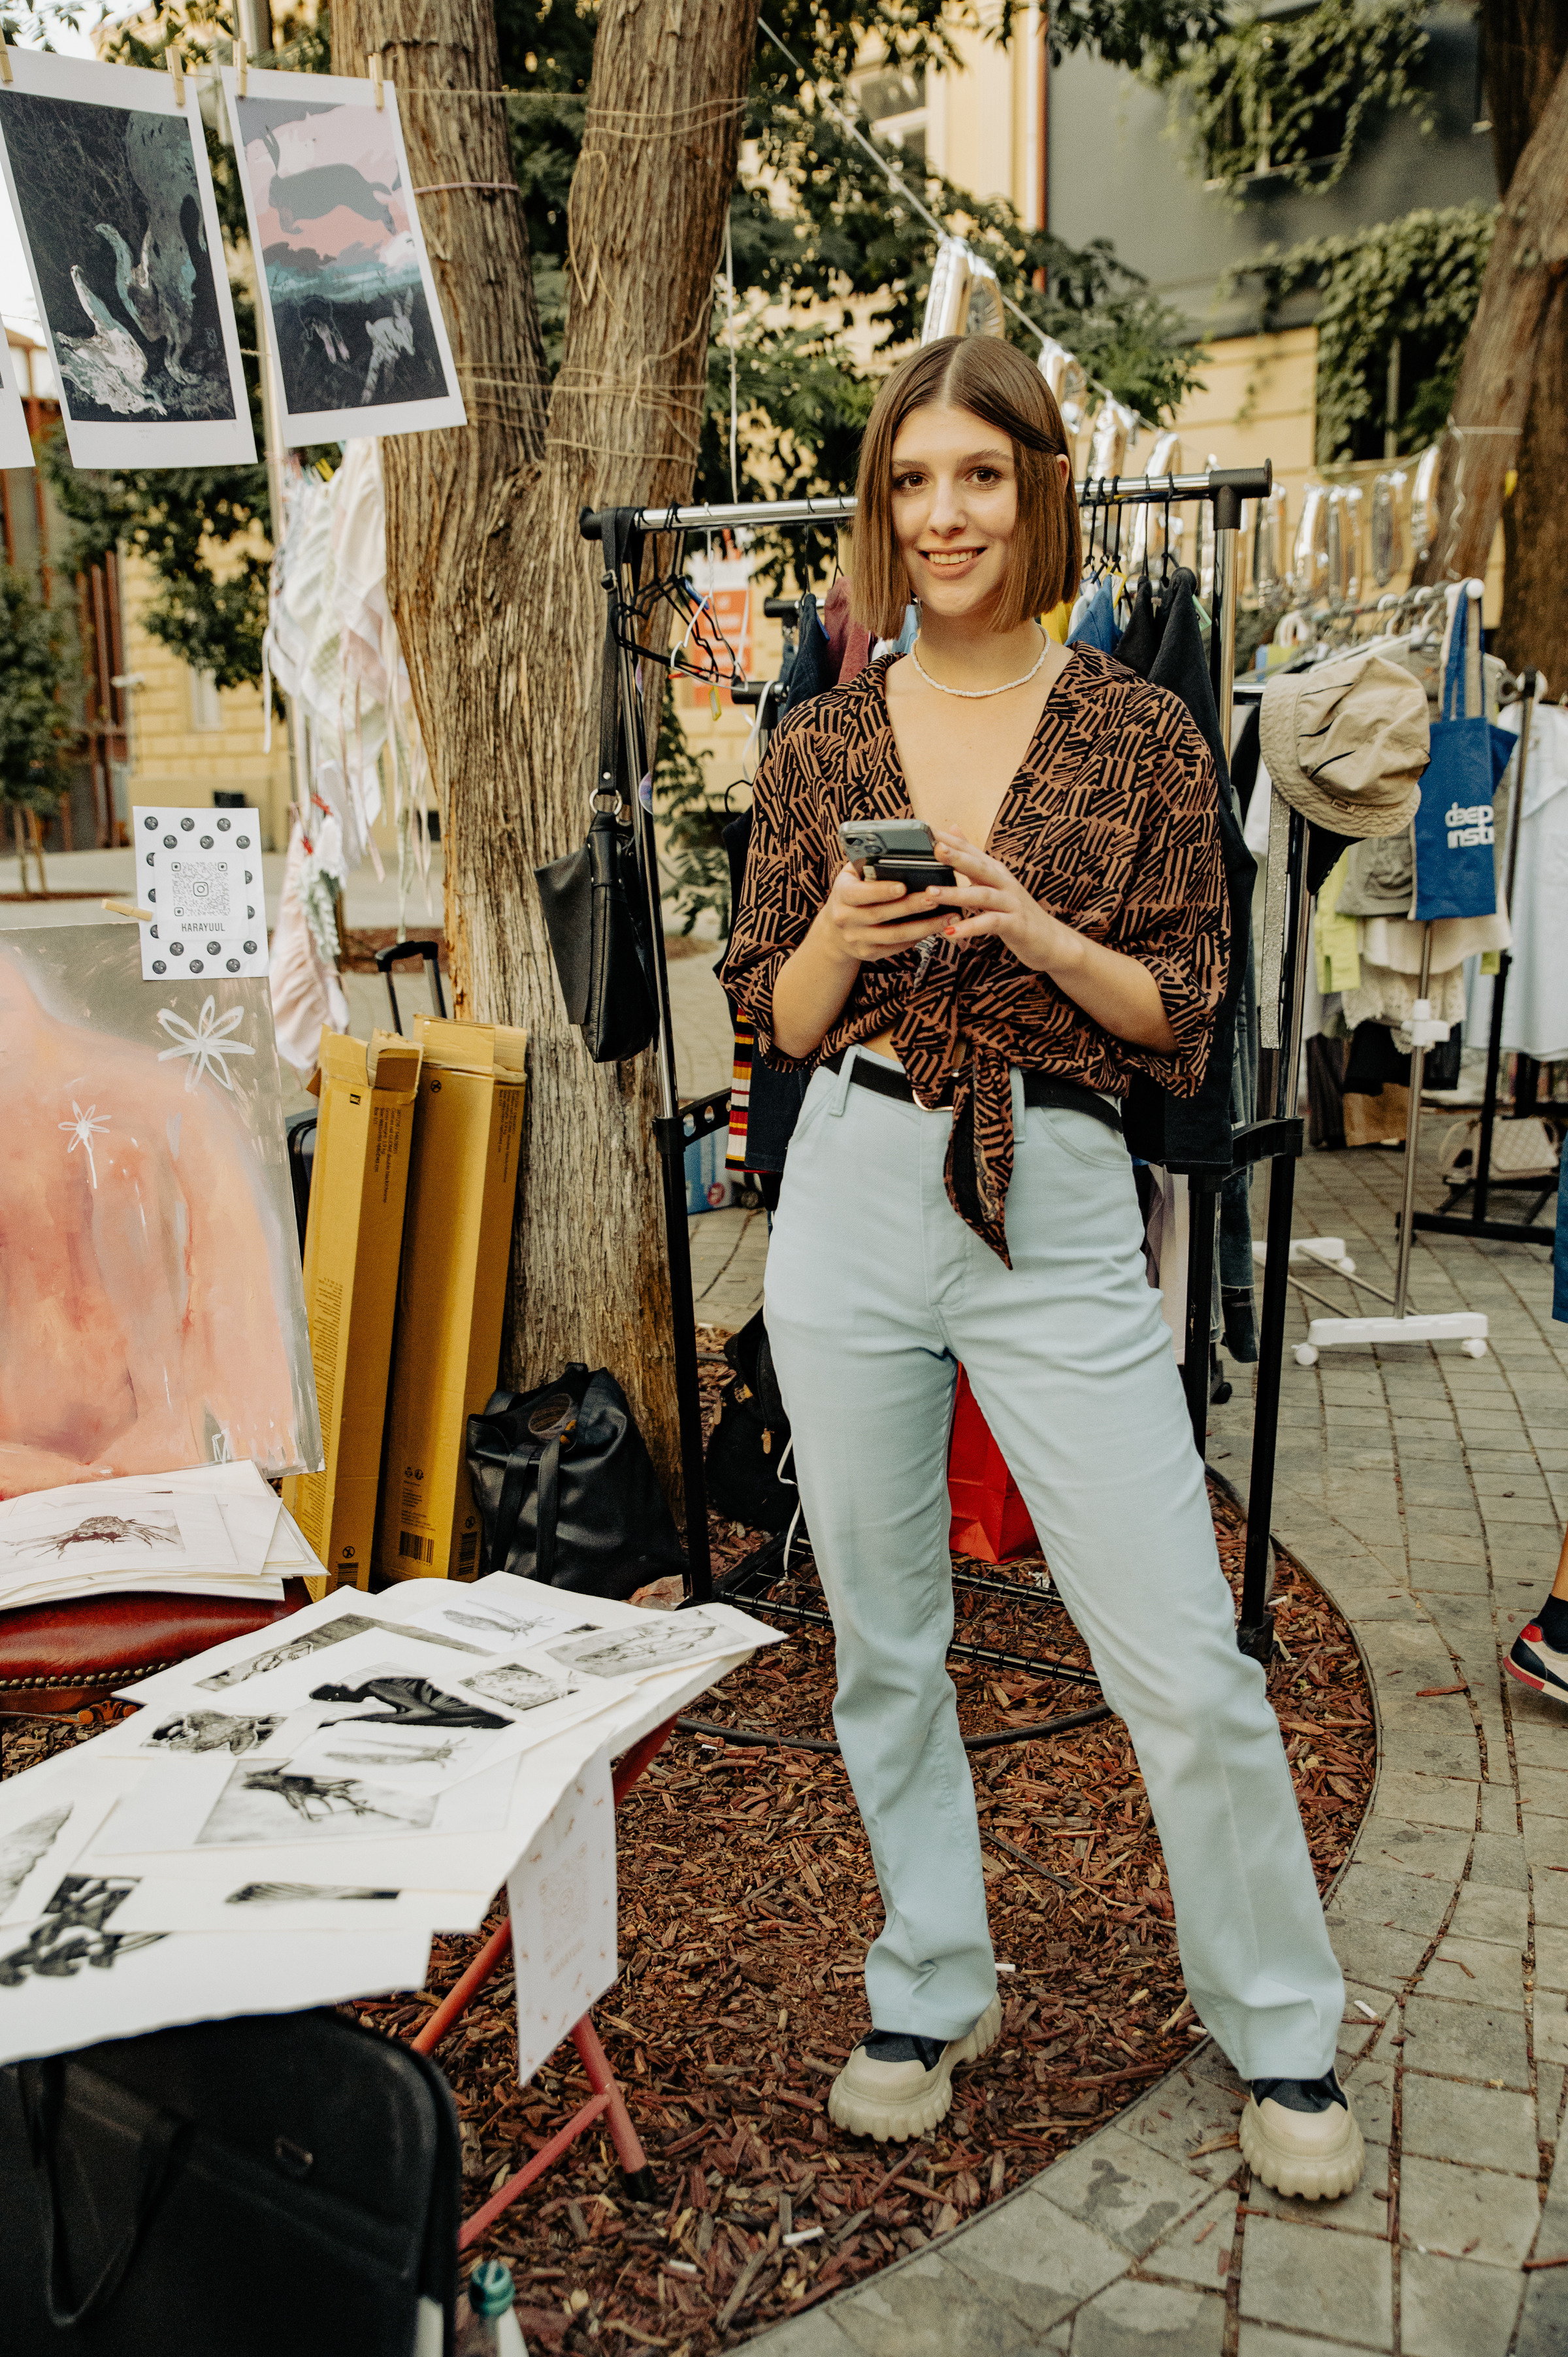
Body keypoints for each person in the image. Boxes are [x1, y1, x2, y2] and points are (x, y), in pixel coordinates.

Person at [717, 335, 1364, 2201]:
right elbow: (770, 1004)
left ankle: (1280, 2024)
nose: (944, 514)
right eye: (913, 481)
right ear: (881, 505)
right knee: (886, 1643)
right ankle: (932, 1977)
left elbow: (1186, 1013)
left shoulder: (1140, 731)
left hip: (1058, 1194)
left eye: (979, 478)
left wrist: (1037, 930)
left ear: (1039, 490)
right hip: (849, 1184)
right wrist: (847, 918)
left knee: (1182, 1653)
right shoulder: (824, 740)